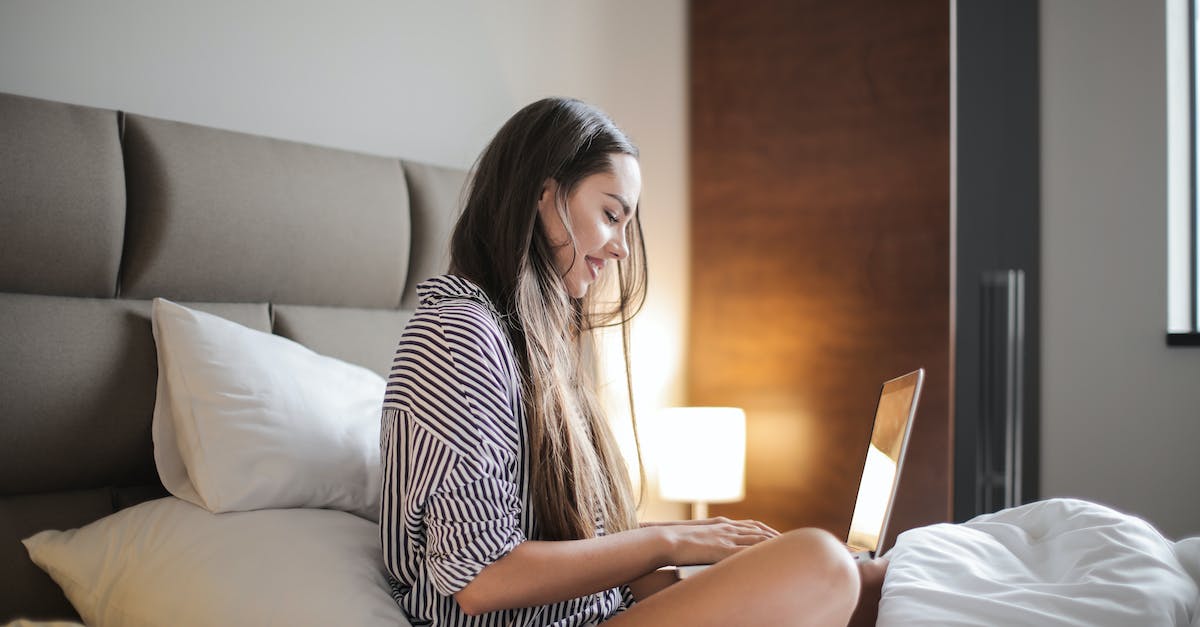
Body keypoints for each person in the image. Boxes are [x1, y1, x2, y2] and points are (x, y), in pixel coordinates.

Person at [380, 97, 886, 627]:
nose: (622, 247)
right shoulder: (457, 335)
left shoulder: (541, 345)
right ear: (544, 197)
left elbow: (590, 545)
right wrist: (669, 540)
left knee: (865, 577)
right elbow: (482, 578)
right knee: (821, 564)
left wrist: (703, 562)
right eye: (610, 215)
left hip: (605, 612)